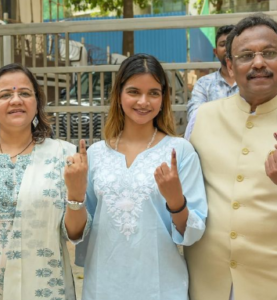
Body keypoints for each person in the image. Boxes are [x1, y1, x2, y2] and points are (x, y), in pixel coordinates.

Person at [64, 53, 207, 300]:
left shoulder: (179, 152)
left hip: (161, 285)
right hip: (103, 285)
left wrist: (176, 200)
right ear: (118, 96)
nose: (144, 101)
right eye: (133, 92)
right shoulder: (97, 154)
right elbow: (77, 233)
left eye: (153, 92)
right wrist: (75, 194)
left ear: (164, 98)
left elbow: (192, 233)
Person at [184, 14, 277, 300]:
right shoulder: (202, 118)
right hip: (207, 283)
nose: (259, 63)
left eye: (270, 53)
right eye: (246, 55)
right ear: (229, 65)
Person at [0, 63, 86, 300]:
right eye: (5, 95)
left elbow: (74, 235)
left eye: (25, 93)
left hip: (45, 287)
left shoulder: (63, 156)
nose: (16, 100)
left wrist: (77, 194)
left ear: (36, 103)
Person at [187, 25, 239, 122]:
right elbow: (193, 115)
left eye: (231, 43)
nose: (227, 48)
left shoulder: (251, 79)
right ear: (215, 52)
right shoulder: (204, 83)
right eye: (223, 44)